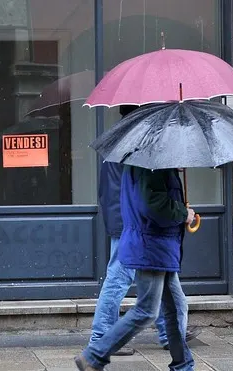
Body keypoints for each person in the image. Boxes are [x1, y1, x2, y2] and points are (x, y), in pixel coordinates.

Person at [89, 105, 200, 356]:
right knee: (119, 279)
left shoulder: (124, 139)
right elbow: (143, 196)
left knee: (162, 280)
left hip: (128, 221)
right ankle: (101, 336)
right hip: (132, 225)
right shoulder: (137, 144)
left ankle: (170, 333)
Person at [75, 164, 196, 371]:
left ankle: (183, 365)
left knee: (174, 307)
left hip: (159, 246)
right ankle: (94, 355)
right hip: (152, 245)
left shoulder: (154, 164)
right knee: (146, 310)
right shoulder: (153, 167)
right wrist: (183, 213)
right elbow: (153, 205)